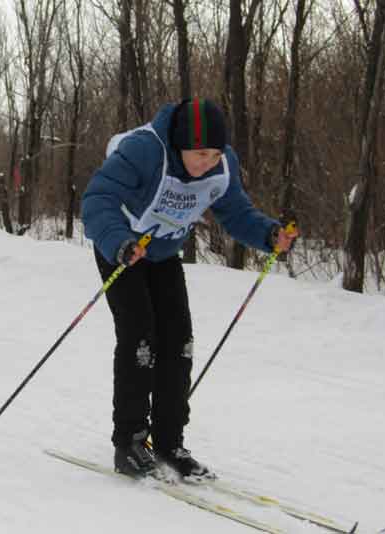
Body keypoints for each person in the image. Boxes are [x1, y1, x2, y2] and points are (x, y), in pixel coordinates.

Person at [81, 98, 297, 480]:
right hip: (122, 250)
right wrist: (118, 242)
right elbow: (98, 198)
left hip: (163, 253)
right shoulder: (145, 151)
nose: (208, 162)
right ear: (181, 144)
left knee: (178, 343)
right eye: (201, 154)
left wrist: (268, 234)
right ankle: (130, 441)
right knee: (140, 339)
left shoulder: (222, 165)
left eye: (215, 154)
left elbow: (235, 212)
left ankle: (169, 443)